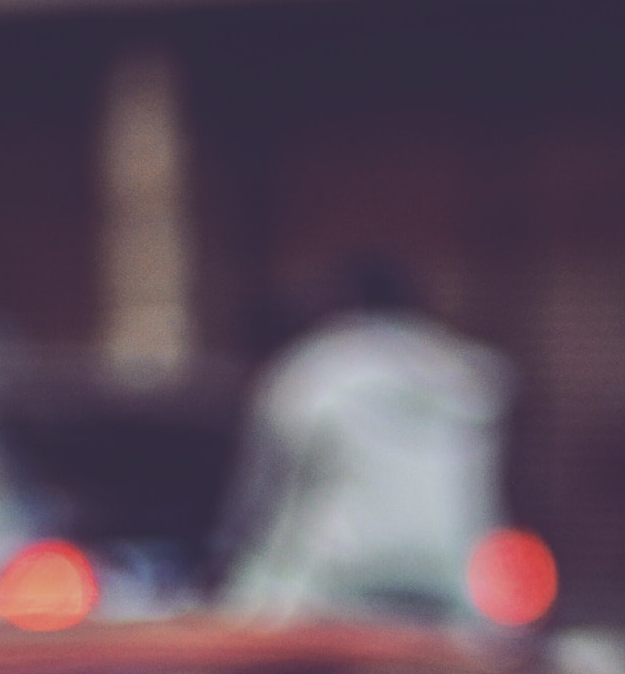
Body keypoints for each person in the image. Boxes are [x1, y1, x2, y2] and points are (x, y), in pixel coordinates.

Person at [218, 257, 513, 624]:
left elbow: (257, 497)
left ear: (340, 302)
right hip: (454, 586)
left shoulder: (310, 373)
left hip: (325, 590)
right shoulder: (467, 376)